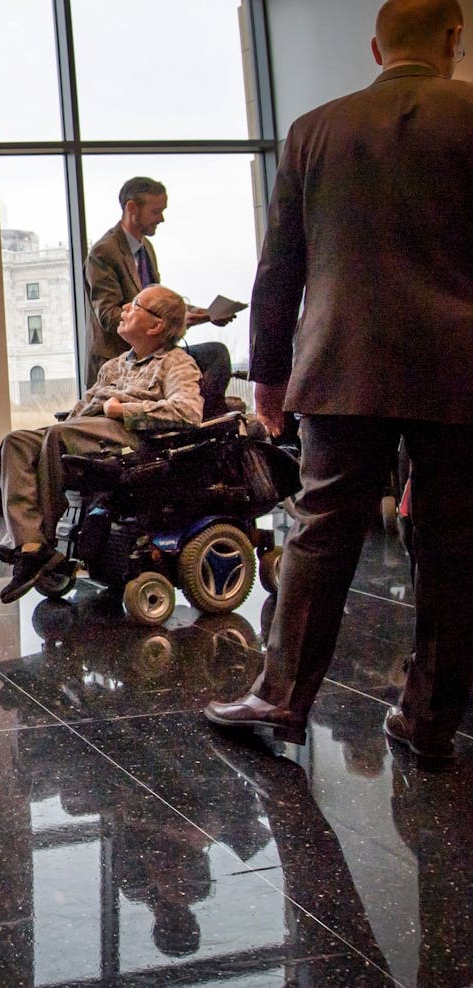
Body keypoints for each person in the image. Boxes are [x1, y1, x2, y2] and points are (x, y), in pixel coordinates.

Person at [204, 0, 473, 767]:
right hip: (461, 367)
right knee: (456, 541)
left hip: (343, 363)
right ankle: (428, 721)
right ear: (454, 39)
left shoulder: (315, 129)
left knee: (323, 530)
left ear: (375, 47)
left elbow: (279, 266)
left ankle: (281, 699)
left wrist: (271, 377)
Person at [0, 285, 201, 604]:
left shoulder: (176, 363)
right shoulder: (114, 366)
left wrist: (125, 410)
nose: (124, 310)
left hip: (133, 442)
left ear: (156, 325)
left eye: (134, 306)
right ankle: (29, 545)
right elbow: (80, 412)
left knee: (57, 438)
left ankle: (44, 543)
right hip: (89, 430)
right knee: (17, 442)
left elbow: (188, 412)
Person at [84, 176, 234, 405]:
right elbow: (108, 317)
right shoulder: (104, 252)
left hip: (152, 354)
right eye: (155, 212)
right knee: (214, 355)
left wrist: (203, 313)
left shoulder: (146, 249)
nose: (161, 219)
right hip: (123, 358)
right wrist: (168, 320)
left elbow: (158, 301)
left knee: (216, 355)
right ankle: (195, 419)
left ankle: (198, 417)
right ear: (131, 208)